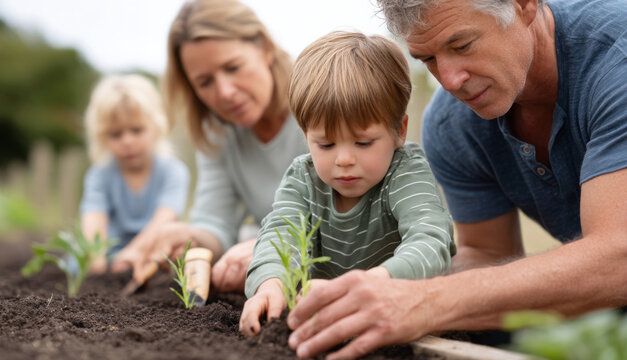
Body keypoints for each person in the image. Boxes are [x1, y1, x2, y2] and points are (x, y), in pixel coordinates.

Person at [285, 0, 627, 358]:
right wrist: (361, 275)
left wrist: (427, 301)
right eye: (427, 59)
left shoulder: (615, 61)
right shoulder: (454, 125)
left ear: (524, 5)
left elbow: (617, 259)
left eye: (461, 46)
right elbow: (488, 254)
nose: (449, 81)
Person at [239, 31, 456, 336]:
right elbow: (279, 234)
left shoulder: (404, 172)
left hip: (401, 323)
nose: (343, 159)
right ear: (306, 136)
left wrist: (377, 282)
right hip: (323, 320)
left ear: (399, 130)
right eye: (326, 145)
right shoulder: (304, 177)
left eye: (363, 142)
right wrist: (270, 284)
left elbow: (431, 242)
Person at [112, 0, 308, 291]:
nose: (225, 92)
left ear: (265, 48)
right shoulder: (216, 131)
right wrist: (186, 236)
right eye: (205, 82)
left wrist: (268, 246)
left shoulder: (319, 102)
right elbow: (217, 222)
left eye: (233, 67)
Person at [80, 74, 190, 273]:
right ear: (101, 136)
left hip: (155, 247)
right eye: (116, 134)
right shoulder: (100, 174)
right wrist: (96, 257)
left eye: (137, 130)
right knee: (76, 264)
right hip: (112, 254)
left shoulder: (173, 171)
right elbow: (94, 218)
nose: (127, 141)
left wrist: (134, 252)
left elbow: (164, 218)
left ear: (156, 128)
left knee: (180, 256)